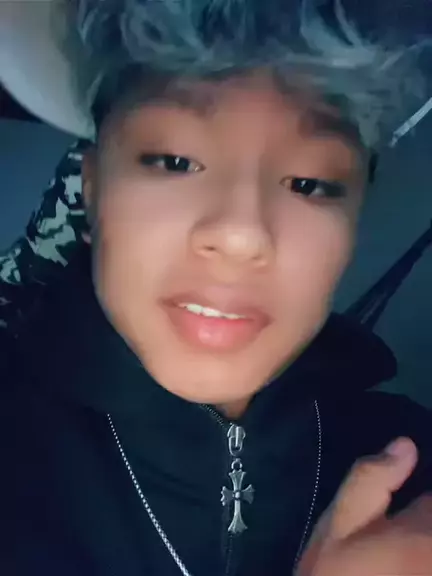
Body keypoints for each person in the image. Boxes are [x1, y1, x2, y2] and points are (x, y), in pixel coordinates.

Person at [0, 1, 431, 575]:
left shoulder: (411, 463)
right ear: (93, 188)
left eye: (310, 184)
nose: (240, 235)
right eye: (175, 161)